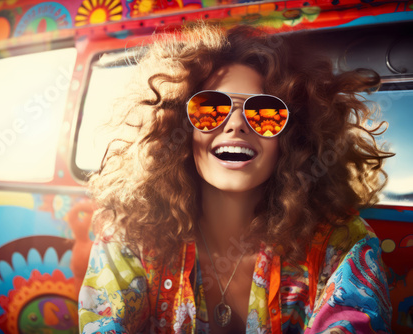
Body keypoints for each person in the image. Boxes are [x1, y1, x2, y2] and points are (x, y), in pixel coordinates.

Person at [77, 22, 393, 333]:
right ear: (179, 127)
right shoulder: (130, 234)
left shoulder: (342, 244)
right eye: (210, 108)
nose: (236, 125)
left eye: (266, 113)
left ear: (295, 138)